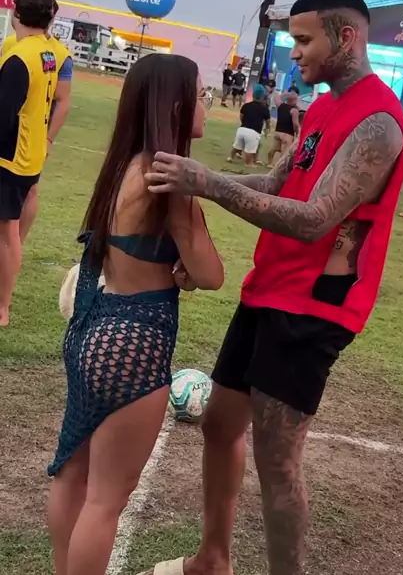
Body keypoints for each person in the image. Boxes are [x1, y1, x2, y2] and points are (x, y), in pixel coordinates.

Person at [142, 0, 403, 575]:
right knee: (219, 424)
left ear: (347, 36)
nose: (295, 52)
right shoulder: (322, 106)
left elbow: (315, 220)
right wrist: (194, 178)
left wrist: (208, 184)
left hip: (314, 308)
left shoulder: (379, 123)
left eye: (305, 40)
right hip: (271, 289)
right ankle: (212, 560)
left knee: (277, 459)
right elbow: (274, 184)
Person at [47, 53, 224, 575]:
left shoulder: (123, 166)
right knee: (105, 499)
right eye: (201, 95)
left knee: (73, 476)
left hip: (92, 331)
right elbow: (212, 274)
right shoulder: (170, 179)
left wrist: (178, 264)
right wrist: (189, 265)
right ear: (176, 105)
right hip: (134, 343)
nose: (207, 107)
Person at [0, 0, 61, 327]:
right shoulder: (46, 51)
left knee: (7, 232)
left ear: (17, 12)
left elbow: (4, 115)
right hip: (30, 151)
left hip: (11, 157)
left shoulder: (20, 57)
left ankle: (2, 308)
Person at [2, 1, 73, 244]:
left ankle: (15, 244)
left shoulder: (59, 55)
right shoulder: (12, 44)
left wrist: (49, 139)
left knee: (29, 191)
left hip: (29, 135)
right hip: (16, 132)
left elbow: (63, 100)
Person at [228, 84, 270, 167]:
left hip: (241, 130)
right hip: (254, 132)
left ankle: (230, 157)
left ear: (253, 95)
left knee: (237, 146)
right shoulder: (264, 109)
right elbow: (268, 122)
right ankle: (249, 163)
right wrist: (267, 129)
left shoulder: (246, 106)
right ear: (262, 97)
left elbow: (241, 117)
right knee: (249, 150)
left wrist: (245, 123)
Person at [267, 91, 300, 167]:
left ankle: (269, 163)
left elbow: (276, 97)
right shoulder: (294, 111)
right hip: (287, 134)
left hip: (278, 132)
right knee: (284, 154)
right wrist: (297, 132)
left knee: (274, 149)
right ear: (295, 100)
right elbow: (295, 123)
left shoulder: (281, 105)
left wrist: (284, 93)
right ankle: (279, 167)